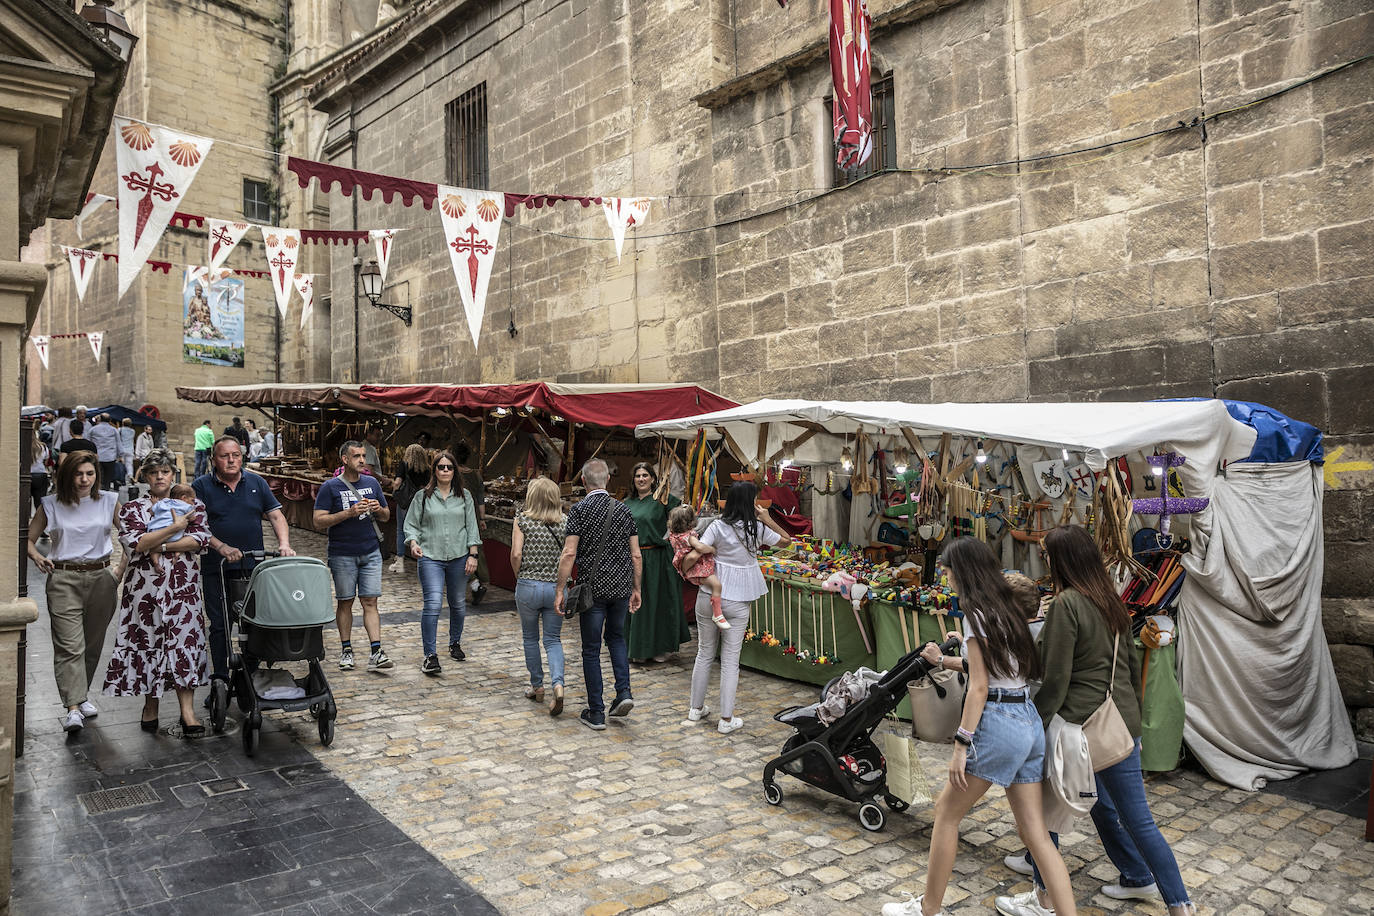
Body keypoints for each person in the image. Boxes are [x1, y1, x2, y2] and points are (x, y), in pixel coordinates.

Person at [995, 525, 1196, 916]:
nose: (1046, 562)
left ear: (1063, 560)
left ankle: (1043, 895)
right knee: (1122, 813)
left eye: (1049, 556)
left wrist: (1036, 721)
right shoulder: (1110, 600)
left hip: (1081, 727)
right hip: (1119, 726)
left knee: (1048, 807)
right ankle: (1159, 891)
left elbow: (1055, 677)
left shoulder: (1068, 604)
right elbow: (1128, 665)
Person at [880, 537, 1076, 916]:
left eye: (947, 570)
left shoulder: (977, 613)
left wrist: (960, 744)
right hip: (1028, 719)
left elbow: (981, 686)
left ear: (963, 571)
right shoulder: (1010, 607)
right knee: (1035, 834)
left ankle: (927, 909)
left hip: (1000, 720)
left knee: (946, 814)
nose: (945, 576)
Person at [102, 449, 211, 737]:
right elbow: (137, 543)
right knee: (149, 643)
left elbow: (200, 539)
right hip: (144, 588)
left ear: (173, 474)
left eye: (165, 472)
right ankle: (151, 706)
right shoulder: (132, 509)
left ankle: (188, 712)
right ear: (146, 476)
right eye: (154, 472)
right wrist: (175, 528)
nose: (160, 477)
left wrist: (161, 546)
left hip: (182, 586)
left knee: (184, 642)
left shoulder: (190, 503)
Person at [686, 481, 792, 734]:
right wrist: (767, 518)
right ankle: (725, 719)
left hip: (709, 593)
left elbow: (697, 550)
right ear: (750, 503)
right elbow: (788, 541)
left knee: (704, 652)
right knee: (730, 661)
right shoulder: (758, 529)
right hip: (738, 599)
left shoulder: (717, 526)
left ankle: (695, 709)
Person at [25, 451, 118, 733]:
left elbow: (130, 536)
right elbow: (28, 539)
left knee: (92, 645)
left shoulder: (108, 501)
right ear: (68, 475)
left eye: (90, 474)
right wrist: (37, 557)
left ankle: (81, 694)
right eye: (79, 474)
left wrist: (119, 571)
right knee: (69, 645)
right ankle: (73, 708)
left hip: (102, 578)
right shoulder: (51, 504)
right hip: (63, 578)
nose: (85, 479)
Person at [193, 435, 296, 684]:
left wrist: (284, 544)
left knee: (253, 623)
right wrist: (221, 547)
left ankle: (248, 674)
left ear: (242, 457)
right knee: (220, 625)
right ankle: (220, 677)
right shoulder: (201, 486)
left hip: (252, 568)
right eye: (224, 456)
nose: (231, 460)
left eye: (236, 455)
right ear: (214, 460)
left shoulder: (256, 482)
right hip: (216, 569)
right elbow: (196, 525)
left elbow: (276, 516)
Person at [555, 458, 641, 730]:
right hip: (620, 587)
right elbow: (636, 555)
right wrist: (637, 588)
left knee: (591, 650)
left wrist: (560, 589)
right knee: (616, 639)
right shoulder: (624, 510)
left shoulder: (579, 511)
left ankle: (596, 711)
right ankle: (624, 693)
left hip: (592, 590)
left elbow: (569, 552)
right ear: (607, 480)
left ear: (583, 481)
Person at [314, 440, 392, 672]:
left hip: (370, 552)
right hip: (342, 554)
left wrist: (379, 509)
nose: (362, 460)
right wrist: (347, 513)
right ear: (345, 459)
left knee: (370, 601)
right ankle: (346, 650)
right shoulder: (330, 487)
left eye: (363, 456)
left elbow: (387, 516)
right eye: (356, 456)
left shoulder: (371, 483)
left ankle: (376, 651)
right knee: (345, 602)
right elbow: (318, 520)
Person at [403, 450, 481, 675]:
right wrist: (414, 542)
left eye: (449, 467)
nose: (445, 470)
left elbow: (471, 526)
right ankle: (430, 655)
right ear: (434, 470)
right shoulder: (423, 496)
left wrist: (473, 555)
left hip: (458, 557)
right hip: (430, 557)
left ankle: (455, 643)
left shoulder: (465, 495)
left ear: (455, 470)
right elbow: (411, 524)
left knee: (457, 603)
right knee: (433, 604)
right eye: (441, 467)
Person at [510, 476, 567, 715]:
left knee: (530, 638)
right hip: (556, 587)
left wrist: (519, 576)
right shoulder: (565, 522)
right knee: (553, 639)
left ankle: (537, 686)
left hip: (529, 585)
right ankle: (558, 684)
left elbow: (515, 554)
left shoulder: (522, 520)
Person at [623, 462, 688, 664]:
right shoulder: (626, 503)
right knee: (637, 604)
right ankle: (638, 648)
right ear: (633, 480)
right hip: (633, 558)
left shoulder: (663, 500)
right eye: (637, 476)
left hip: (657, 559)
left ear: (653, 478)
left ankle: (661, 647)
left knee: (657, 604)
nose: (641, 479)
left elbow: (684, 515)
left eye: (645, 475)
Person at [666, 504, 729, 630]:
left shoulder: (673, 536)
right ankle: (717, 613)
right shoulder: (689, 537)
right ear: (690, 522)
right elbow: (699, 548)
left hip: (685, 568)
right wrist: (712, 549)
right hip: (696, 569)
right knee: (717, 585)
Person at [452, 442, 489, 604]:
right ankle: (477, 583)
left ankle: (475, 584)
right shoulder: (475, 474)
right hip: (473, 514)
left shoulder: (450, 473)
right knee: (473, 549)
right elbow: (481, 499)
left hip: (456, 514)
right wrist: (482, 519)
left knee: (457, 552)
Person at [389, 443, 431, 574]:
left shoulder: (404, 465)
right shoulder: (428, 469)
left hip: (405, 503)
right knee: (421, 531)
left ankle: (400, 561)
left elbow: (397, 482)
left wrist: (394, 491)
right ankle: (423, 561)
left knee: (401, 530)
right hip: (420, 502)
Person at [145, 483, 196, 571]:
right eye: (192, 500)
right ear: (183, 498)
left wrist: (154, 504)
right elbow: (192, 518)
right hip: (174, 535)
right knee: (183, 539)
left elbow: (151, 511)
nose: (193, 503)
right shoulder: (187, 506)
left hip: (156, 532)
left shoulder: (163, 502)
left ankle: (156, 563)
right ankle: (177, 554)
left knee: (153, 550)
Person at [86, 414, 121, 488]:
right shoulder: (114, 430)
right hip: (110, 457)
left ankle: (98, 490)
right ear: (110, 420)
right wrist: (119, 455)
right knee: (108, 477)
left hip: (97, 457)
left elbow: (88, 442)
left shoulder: (93, 429)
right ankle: (106, 489)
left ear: (100, 419)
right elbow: (118, 443)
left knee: (98, 476)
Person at [29, 426, 52, 507]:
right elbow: (46, 461)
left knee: (25, 500)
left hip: (28, 474)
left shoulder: (23, 446)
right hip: (41, 474)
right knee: (40, 502)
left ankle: (25, 518)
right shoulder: (43, 446)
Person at [117, 418, 136, 483]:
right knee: (129, 464)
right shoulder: (133, 431)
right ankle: (130, 476)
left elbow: (118, 439)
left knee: (121, 464)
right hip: (130, 449)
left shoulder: (120, 430)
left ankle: (122, 479)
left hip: (122, 449)